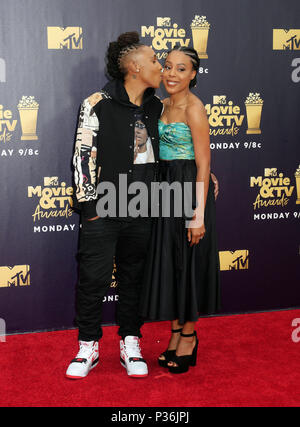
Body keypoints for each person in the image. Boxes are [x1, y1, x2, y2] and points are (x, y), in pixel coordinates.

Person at [66, 32, 219, 380]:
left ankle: (130, 341)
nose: (162, 69)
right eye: (156, 62)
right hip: (104, 207)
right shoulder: (97, 103)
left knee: (134, 278)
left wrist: (204, 174)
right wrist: (90, 208)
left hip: (146, 207)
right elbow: (81, 158)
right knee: (93, 279)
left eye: (170, 65)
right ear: (135, 66)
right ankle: (87, 345)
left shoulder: (156, 106)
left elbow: (180, 147)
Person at [140, 46, 221, 374]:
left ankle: (189, 336)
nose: (172, 74)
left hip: (188, 193)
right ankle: (175, 332)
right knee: (173, 264)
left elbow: (203, 164)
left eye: (181, 69)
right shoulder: (160, 105)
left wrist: (197, 215)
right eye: (168, 67)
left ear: (193, 75)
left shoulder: (194, 108)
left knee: (188, 264)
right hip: (165, 188)